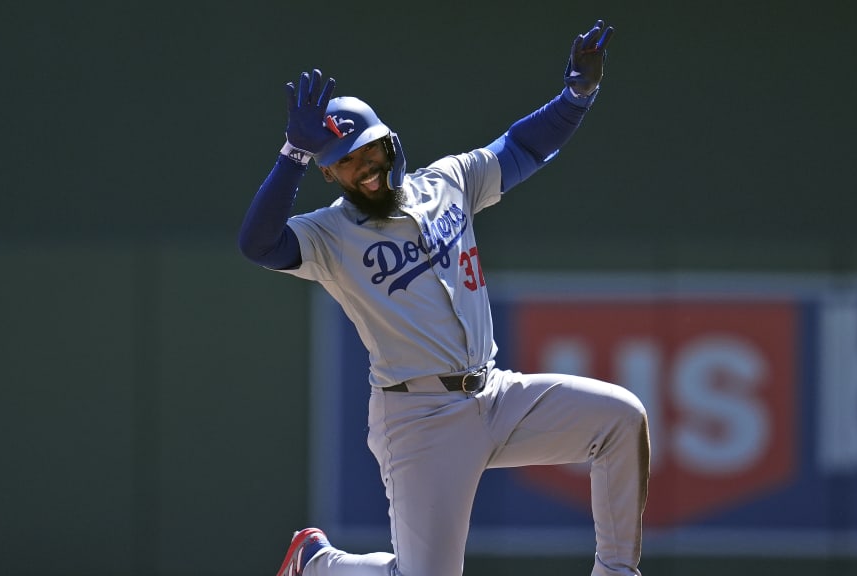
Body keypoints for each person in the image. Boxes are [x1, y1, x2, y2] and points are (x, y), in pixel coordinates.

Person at [239, 19, 649, 576]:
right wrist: (293, 152)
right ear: (330, 174)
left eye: (366, 152)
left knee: (621, 420)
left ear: (390, 142)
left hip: (496, 393)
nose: (363, 171)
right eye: (343, 163)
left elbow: (524, 145)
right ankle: (317, 563)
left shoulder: (450, 181)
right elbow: (259, 243)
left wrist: (577, 95)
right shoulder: (329, 235)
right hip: (419, 415)